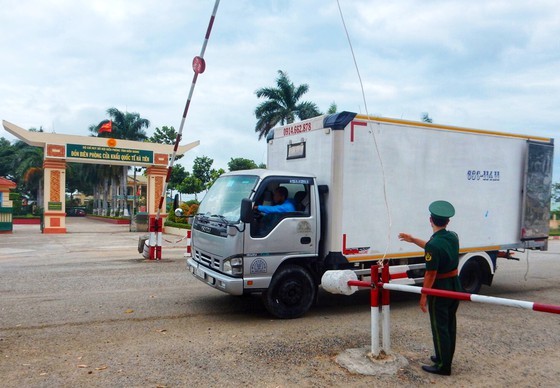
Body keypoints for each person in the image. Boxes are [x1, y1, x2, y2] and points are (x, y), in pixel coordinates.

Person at [398, 200, 461, 376]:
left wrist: (423, 295)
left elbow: (430, 274)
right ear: (447, 222)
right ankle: (444, 356)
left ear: (430, 220)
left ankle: (443, 366)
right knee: (449, 324)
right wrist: (413, 240)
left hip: (440, 288)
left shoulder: (434, 245)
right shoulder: (453, 236)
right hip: (454, 285)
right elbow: (434, 246)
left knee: (439, 326)